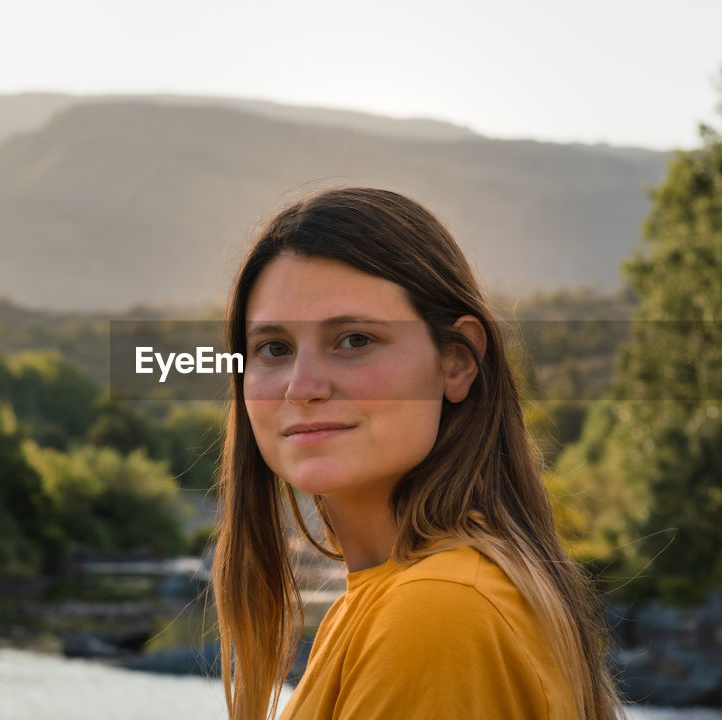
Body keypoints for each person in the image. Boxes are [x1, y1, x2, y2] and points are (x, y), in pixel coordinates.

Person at [211, 187, 623, 720]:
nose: (302, 386)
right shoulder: (385, 601)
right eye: (274, 348)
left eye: (354, 340)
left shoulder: (438, 609)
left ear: (456, 362)